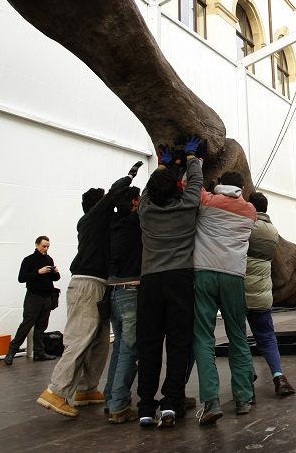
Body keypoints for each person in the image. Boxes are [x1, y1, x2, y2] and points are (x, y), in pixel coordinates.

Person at [37, 161, 142, 418]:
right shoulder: (94, 218)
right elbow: (116, 194)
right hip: (88, 284)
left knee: (98, 342)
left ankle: (86, 389)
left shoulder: (93, 223)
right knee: (80, 338)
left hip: (98, 285)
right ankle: (56, 391)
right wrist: (130, 176)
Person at [135, 140, 204, 428]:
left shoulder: (146, 211)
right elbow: (196, 183)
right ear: (177, 189)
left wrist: (164, 165)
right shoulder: (188, 206)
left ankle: (146, 407)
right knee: (178, 342)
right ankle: (172, 402)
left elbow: (148, 191)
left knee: (149, 345)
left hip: (150, 282)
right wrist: (190, 158)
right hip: (179, 279)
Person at [193, 170, 257, 425]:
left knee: (203, 337)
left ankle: (211, 401)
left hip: (204, 274)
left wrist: (194, 162)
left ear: (220, 184)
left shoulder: (206, 202)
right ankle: (243, 398)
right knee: (238, 336)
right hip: (234, 276)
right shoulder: (250, 211)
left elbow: (191, 186)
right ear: (241, 187)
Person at [244, 192, 295, 398]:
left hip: (240, 291)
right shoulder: (272, 231)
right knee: (267, 337)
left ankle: (247, 376)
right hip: (263, 293)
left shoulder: (247, 227)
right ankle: (278, 376)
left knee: (239, 337)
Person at [103, 185, 142, 424]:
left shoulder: (112, 224)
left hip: (113, 291)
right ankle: (118, 404)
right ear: (135, 203)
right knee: (129, 348)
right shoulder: (135, 224)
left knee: (119, 347)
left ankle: (111, 397)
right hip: (130, 290)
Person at [4, 236, 60, 365]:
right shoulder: (29, 260)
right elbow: (21, 278)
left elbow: (55, 278)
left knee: (41, 326)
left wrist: (55, 272)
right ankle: (11, 352)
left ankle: (39, 352)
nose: (46, 249)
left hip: (46, 297)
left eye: (47, 246)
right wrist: (38, 272)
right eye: (43, 246)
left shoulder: (49, 259)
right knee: (27, 324)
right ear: (37, 245)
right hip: (33, 297)